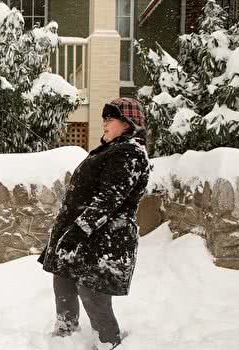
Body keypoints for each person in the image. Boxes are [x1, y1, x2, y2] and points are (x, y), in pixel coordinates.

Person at [38, 98, 151, 349]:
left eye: (110, 119)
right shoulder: (111, 149)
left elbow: (109, 199)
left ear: (128, 124)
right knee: (63, 277)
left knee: (93, 293)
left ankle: (108, 342)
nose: (104, 124)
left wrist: (79, 230)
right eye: (104, 119)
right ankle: (66, 336)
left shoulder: (130, 152)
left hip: (104, 238)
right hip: (82, 233)